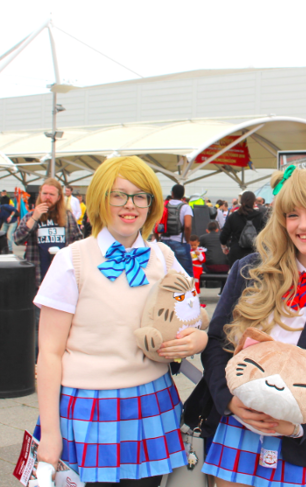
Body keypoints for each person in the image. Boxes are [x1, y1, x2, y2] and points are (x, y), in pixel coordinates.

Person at [33, 156, 208, 485]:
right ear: (101, 199)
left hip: (153, 399)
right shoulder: (73, 260)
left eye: (140, 196)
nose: (130, 205)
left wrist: (197, 339)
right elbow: (49, 353)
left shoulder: (164, 257)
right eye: (119, 195)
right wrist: (51, 433)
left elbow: (194, 315)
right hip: (87, 405)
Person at [193, 166, 306, 487]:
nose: (303, 225)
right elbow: (217, 341)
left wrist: (298, 426)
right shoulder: (249, 270)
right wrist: (229, 401)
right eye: (292, 215)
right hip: (239, 427)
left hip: (301, 440)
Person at [220, 191, 265, 267]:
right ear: (254, 202)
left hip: (236, 253)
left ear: (241, 201)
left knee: (236, 277)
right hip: (255, 253)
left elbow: (223, 236)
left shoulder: (233, 216)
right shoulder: (260, 216)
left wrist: (224, 247)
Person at [159, 184, 194, 277]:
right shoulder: (185, 207)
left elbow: (156, 224)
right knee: (186, 274)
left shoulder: (164, 206)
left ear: (172, 193)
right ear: (183, 195)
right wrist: (187, 240)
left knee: (164, 272)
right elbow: (187, 225)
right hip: (180, 242)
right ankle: (187, 291)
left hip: (163, 242)